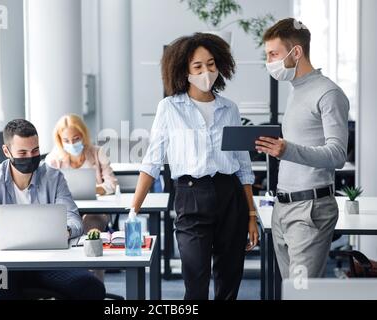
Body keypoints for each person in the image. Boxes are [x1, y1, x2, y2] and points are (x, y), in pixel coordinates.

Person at [131, 33, 259, 300]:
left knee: (229, 280)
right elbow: (152, 161)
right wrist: (134, 209)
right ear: (184, 70)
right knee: (196, 281)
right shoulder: (169, 108)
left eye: (210, 64)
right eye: (197, 66)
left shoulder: (230, 109)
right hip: (191, 196)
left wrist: (251, 215)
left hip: (230, 195)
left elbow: (243, 167)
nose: (206, 71)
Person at [0, 119, 106, 300]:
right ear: (6, 151)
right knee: (2, 286)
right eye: (22, 152)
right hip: (3, 265)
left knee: (91, 287)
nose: (30, 157)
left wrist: (65, 230)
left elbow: (74, 219)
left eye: (35, 151)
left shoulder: (53, 178)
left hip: (46, 263)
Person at [256, 18, 349, 279]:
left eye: (273, 54)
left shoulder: (329, 93)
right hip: (283, 205)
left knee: (302, 291)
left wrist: (288, 150)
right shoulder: (296, 90)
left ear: (296, 52)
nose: (270, 61)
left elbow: (337, 155)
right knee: (293, 290)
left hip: (310, 209)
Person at [45, 114, 118, 234]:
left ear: (83, 136)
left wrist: (92, 190)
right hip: (65, 210)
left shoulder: (98, 153)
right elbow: (47, 190)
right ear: (59, 140)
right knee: (64, 225)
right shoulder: (53, 159)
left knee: (92, 222)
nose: (72, 144)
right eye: (66, 140)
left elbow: (112, 184)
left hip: (95, 211)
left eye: (76, 138)